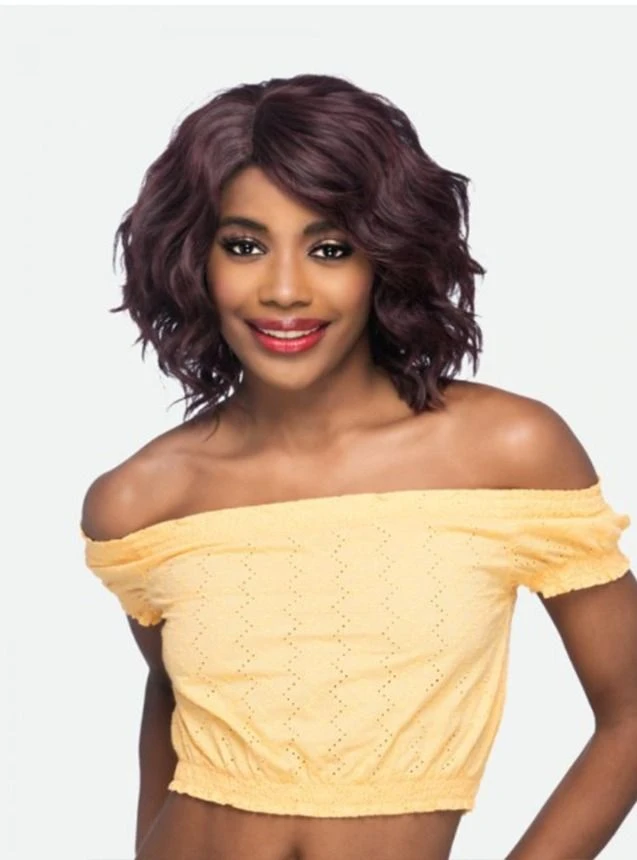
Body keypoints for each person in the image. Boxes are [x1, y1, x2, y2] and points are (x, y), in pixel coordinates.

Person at [80, 73, 637, 860]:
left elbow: (629, 715)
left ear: (385, 255)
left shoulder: (506, 452)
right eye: (244, 246)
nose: (283, 290)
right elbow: (171, 697)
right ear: (193, 259)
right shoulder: (142, 499)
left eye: (329, 249)